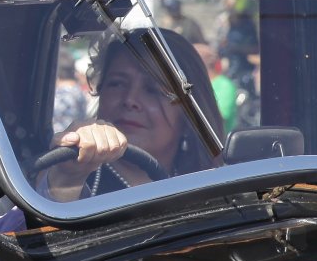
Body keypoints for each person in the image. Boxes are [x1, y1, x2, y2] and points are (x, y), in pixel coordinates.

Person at [40, 31, 223, 201]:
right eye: (117, 84)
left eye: (153, 90)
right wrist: (68, 176)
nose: (130, 100)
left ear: (189, 114)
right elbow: (55, 204)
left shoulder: (212, 188)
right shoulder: (74, 172)